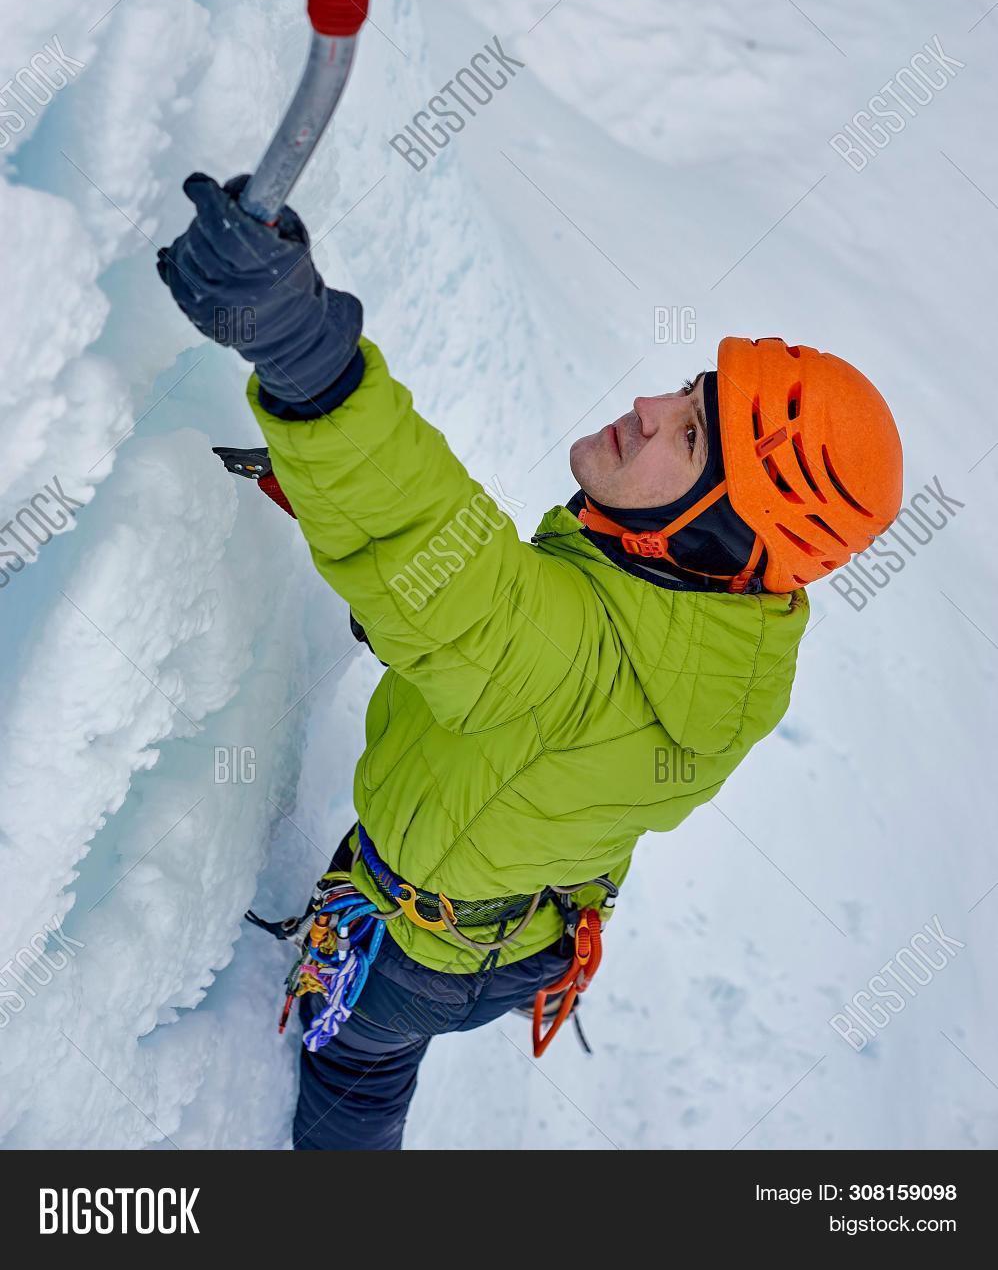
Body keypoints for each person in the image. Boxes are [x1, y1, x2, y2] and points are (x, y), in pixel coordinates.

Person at [158, 172, 903, 1150]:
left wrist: (302, 349)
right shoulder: (740, 644)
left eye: (686, 437)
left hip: (411, 956)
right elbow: (513, 661)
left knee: (357, 1067)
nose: (643, 404)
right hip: (533, 941)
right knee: (392, 1053)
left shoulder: (566, 659)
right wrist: (422, 631)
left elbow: (456, 577)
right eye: (685, 393)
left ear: (716, 536)